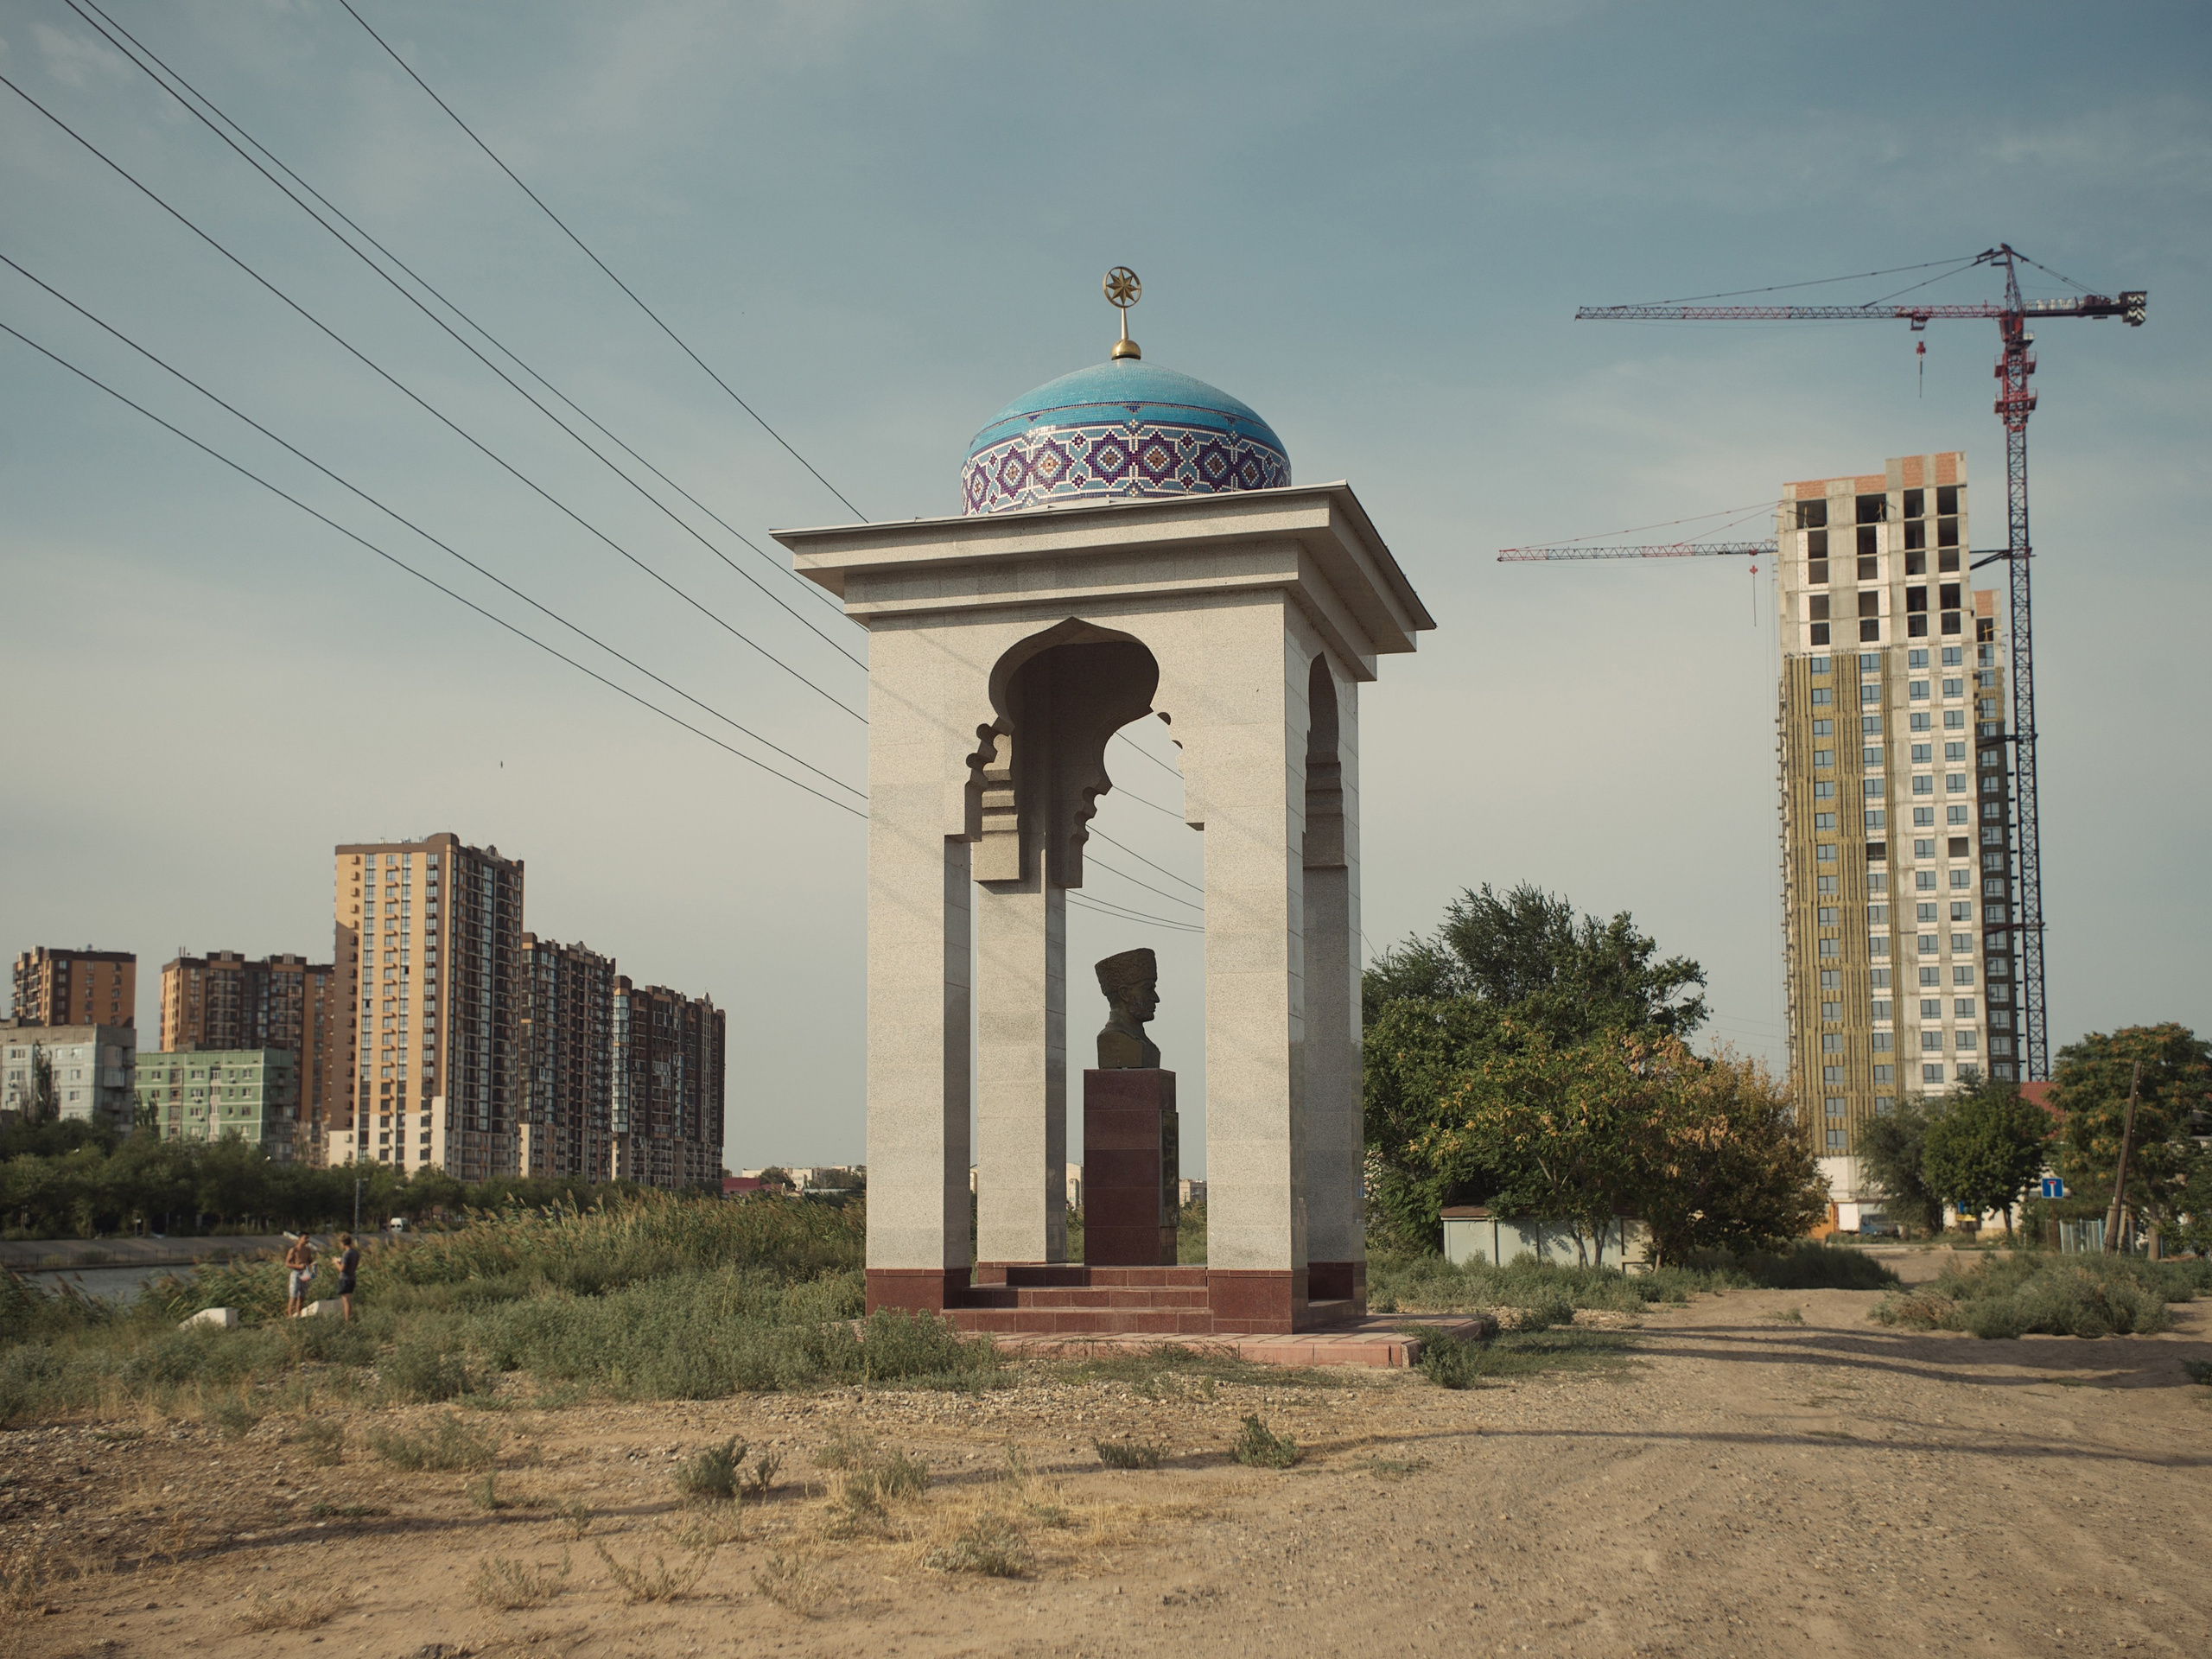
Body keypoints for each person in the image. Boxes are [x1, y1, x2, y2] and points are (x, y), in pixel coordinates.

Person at [283, 1232, 317, 1318]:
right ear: (300, 1239)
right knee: (293, 1295)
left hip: (305, 1273)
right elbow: (287, 1263)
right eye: (305, 1238)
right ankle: (290, 1316)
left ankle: (298, 1314)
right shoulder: (294, 1250)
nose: (307, 1240)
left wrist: (313, 1264)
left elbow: (309, 1260)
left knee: (302, 1296)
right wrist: (297, 1266)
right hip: (296, 1273)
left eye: (308, 1238)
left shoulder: (308, 1250)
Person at [335, 1232, 359, 1323]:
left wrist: (336, 1262)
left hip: (345, 1279)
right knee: (348, 1301)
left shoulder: (346, 1253)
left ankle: (347, 1321)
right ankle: (348, 1319)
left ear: (342, 1243)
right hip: (352, 1278)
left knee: (346, 1302)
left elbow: (342, 1269)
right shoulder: (355, 1253)